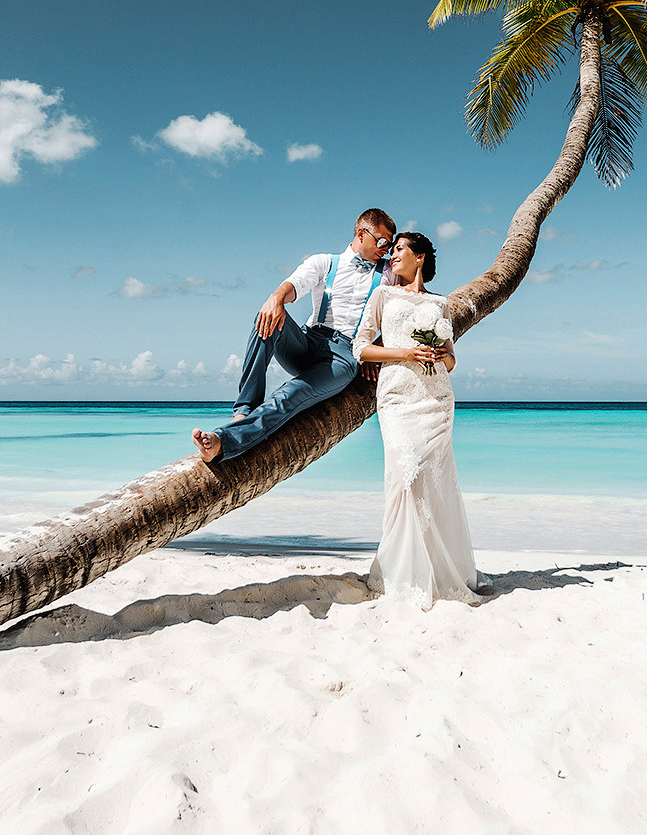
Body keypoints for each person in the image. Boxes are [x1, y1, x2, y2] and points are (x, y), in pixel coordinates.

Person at [192, 208, 397, 463]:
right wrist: (276, 298)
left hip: (342, 358)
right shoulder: (325, 262)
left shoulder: (390, 274)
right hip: (308, 340)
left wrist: (375, 348)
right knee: (266, 316)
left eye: (390, 243)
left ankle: (224, 441)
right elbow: (295, 284)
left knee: (289, 394)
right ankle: (243, 410)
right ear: (361, 233)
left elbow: (408, 310)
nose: (386, 248)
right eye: (382, 241)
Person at [354, 231, 485, 607]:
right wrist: (407, 353)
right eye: (391, 250)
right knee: (404, 480)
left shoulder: (440, 304)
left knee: (433, 483)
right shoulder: (384, 296)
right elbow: (361, 348)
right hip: (397, 398)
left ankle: (440, 570)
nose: (391, 255)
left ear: (421, 257)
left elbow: (452, 359)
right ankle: (401, 571)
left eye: (399, 250)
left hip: (436, 400)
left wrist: (438, 354)